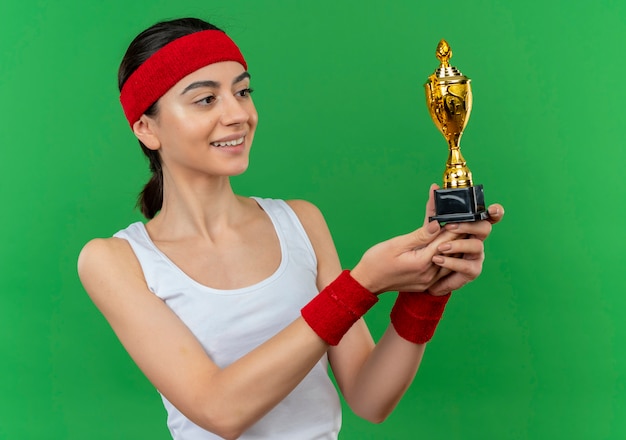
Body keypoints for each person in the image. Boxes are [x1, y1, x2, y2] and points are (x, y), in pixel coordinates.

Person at [77, 17, 504, 440]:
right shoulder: (116, 261)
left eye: (242, 92)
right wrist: (362, 285)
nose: (238, 114)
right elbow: (220, 410)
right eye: (206, 100)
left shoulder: (300, 222)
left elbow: (370, 398)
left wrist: (427, 291)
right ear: (146, 128)